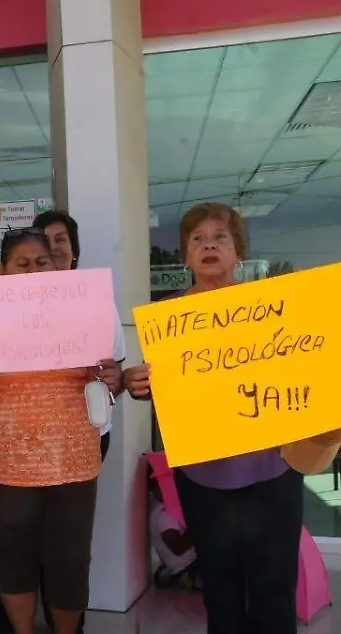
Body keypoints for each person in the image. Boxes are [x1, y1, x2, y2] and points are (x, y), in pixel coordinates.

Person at [124, 203, 302, 634]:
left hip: (274, 468)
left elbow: (300, 374)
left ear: (237, 250)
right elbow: (162, 393)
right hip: (205, 475)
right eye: (197, 239)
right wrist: (137, 383)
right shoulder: (169, 324)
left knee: (274, 586)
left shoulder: (270, 309)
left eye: (219, 237)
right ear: (185, 255)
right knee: (219, 588)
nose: (208, 245)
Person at [0, 229, 123, 634]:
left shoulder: (83, 310)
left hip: (73, 454)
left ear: (56, 264)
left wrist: (112, 375)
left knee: (70, 557)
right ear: (3, 271)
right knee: (14, 553)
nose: (32, 272)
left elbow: (107, 377)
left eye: (41, 263)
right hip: (5, 458)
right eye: (21, 265)